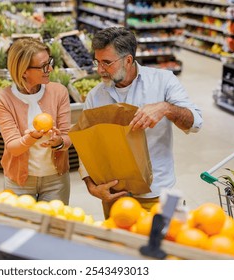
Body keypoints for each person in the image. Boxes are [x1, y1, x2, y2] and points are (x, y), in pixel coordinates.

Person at [79, 27, 203, 218]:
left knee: (163, 243)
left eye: (106, 62)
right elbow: (86, 147)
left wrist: (166, 108)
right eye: (97, 62)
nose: (99, 70)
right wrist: (91, 186)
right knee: (118, 246)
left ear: (128, 60)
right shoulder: (96, 96)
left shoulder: (163, 81)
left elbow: (195, 123)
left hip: (160, 193)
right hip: (115, 195)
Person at [0, 38, 72, 204]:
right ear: (23, 71)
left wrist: (58, 141)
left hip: (55, 180)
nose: (50, 68)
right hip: (19, 181)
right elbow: (13, 147)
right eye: (43, 66)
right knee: (19, 226)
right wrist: (32, 137)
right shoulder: (3, 98)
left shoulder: (59, 92)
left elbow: (67, 137)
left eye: (49, 62)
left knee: (54, 227)